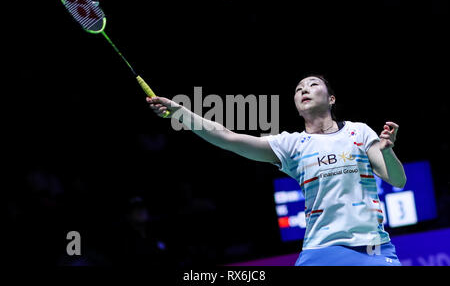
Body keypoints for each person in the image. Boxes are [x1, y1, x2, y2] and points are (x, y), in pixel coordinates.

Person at [146, 74, 406, 266]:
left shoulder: (358, 132)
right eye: (298, 88)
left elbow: (398, 179)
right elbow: (227, 137)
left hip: (373, 248)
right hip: (321, 250)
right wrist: (180, 112)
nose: (304, 89)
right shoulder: (292, 145)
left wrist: (386, 150)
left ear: (331, 98)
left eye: (313, 84)